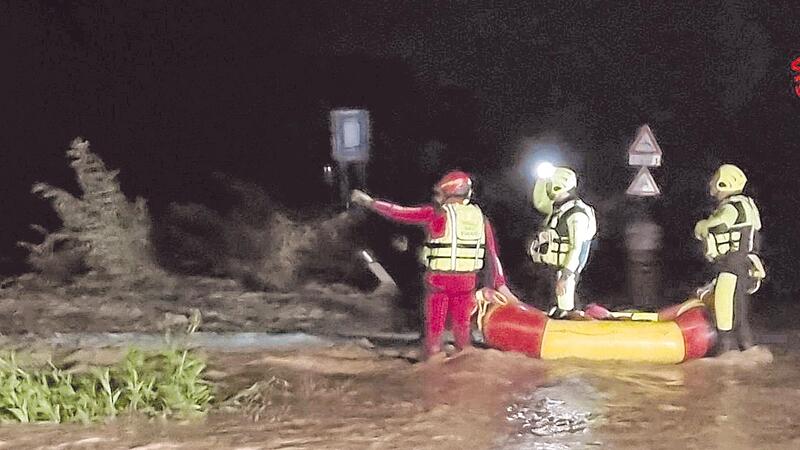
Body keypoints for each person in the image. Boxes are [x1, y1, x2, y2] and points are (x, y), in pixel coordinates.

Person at [350, 170, 517, 359]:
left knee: (434, 327)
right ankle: (465, 358)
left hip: (439, 280)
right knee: (462, 327)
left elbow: (399, 212)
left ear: (447, 192)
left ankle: (433, 358)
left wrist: (369, 202)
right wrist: (501, 285)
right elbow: (492, 254)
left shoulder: (437, 214)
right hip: (467, 281)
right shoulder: (481, 218)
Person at [694, 164, 764, 353]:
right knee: (739, 312)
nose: (711, 184)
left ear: (724, 183)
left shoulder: (732, 207)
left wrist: (701, 226)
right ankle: (747, 349)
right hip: (744, 264)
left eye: (715, 180)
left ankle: (725, 352)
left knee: (724, 307)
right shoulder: (747, 205)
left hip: (732, 265)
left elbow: (715, 226)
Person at [528, 166, 597, 318]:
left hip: (566, 270)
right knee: (555, 305)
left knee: (565, 305)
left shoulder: (577, 213)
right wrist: (541, 180)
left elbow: (576, 247)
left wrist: (565, 276)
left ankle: (573, 319)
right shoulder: (560, 208)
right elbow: (539, 203)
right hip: (553, 268)